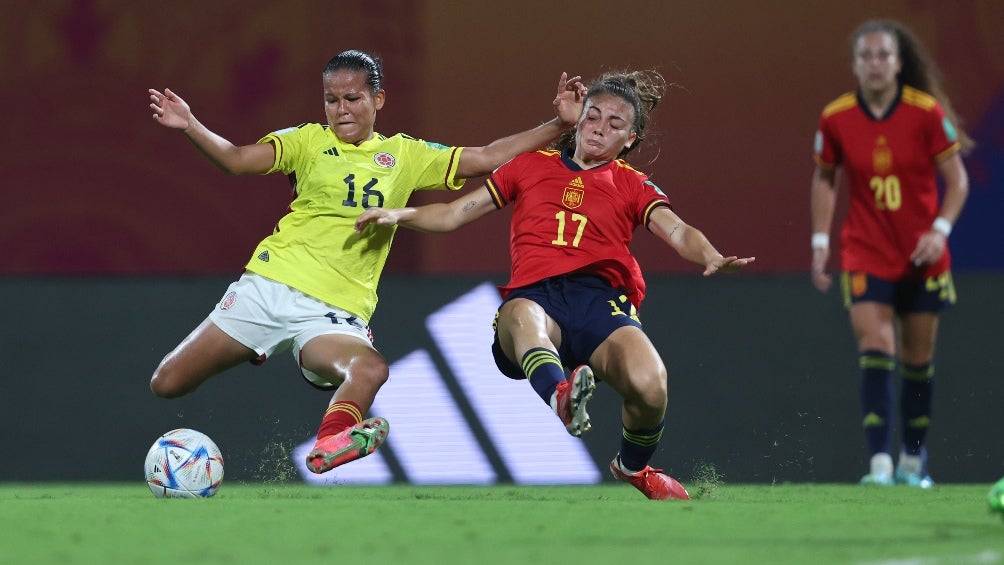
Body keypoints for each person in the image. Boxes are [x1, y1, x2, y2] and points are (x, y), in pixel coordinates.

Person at [147, 49, 587, 474]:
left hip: (333, 312)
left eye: (353, 98)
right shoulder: (307, 140)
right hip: (267, 285)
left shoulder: (404, 155)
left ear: (378, 99)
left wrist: (560, 124)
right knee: (166, 383)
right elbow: (236, 159)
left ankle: (330, 442)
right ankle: (256, 346)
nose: (341, 110)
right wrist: (190, 124)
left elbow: (486, 157)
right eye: (331, 100)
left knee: (372, 368)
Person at [355, 69, 754, 499]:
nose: (599, 128)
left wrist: (710, 255)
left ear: (631, 139)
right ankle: (561, 398)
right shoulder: (528, 167)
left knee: (651, 385)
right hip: (536, 297)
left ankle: (633, 468)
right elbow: (454, 213)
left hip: (600, 302)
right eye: (593, 116)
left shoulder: (632, 184)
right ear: (579, 119)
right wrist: (402, 214)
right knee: (519, 313)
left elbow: (677, 231)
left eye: (615, 124)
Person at [809, 20, 972, 488]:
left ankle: (913, 464)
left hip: (922, 256)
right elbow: (825, 177)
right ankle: (879, 465)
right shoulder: (836, 117)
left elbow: (958, 181)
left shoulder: (926, 112)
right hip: (865, 251)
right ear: (855, 65)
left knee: (918, 361)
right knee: (876, 349)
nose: (875, 64)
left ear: (899, 63)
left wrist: (940, 231)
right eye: (866, 56)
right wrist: (821, 242)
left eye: (884, 56)